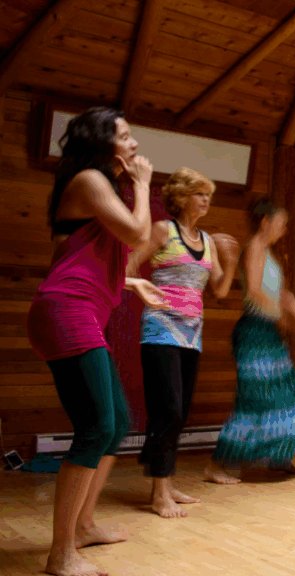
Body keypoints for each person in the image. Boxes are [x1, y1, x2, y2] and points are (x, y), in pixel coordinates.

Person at [26, 107, 168, 576]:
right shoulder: (90, 179)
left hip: (77, 308)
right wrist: (146, 186)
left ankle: (83, 525)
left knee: (116, 422)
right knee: (94, 428)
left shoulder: (97, 187)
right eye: (125, 137)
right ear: (102, 143)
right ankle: (61, 554)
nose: (134, 145)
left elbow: (71, 257)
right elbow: (135, 231)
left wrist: (130, 284)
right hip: (67, 313)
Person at [126, 167, 240, 517]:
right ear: (180, 198)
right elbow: (129, 266)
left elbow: (219, 290)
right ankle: (159, 494)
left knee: (180, 412)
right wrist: (143, 292)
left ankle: (167, 483)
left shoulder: (207, 241)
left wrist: (231, 259)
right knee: (168, 409)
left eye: (208, 195)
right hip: (160, 330)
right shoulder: (164, 230)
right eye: (199, 193)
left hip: (192, 335)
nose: (206, 200)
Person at [203, 199, 295, 483]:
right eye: (282, 222)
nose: (285, 228)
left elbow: (273, 293)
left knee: (287, 393)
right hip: (253, 332)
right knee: (253, 401)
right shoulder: (254, 247)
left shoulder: (268, 253)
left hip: (267, 332)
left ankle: (280, 459)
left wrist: (289, 308)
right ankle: (217, 466)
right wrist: (286, 309)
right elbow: (254, 290)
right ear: (265, 221)